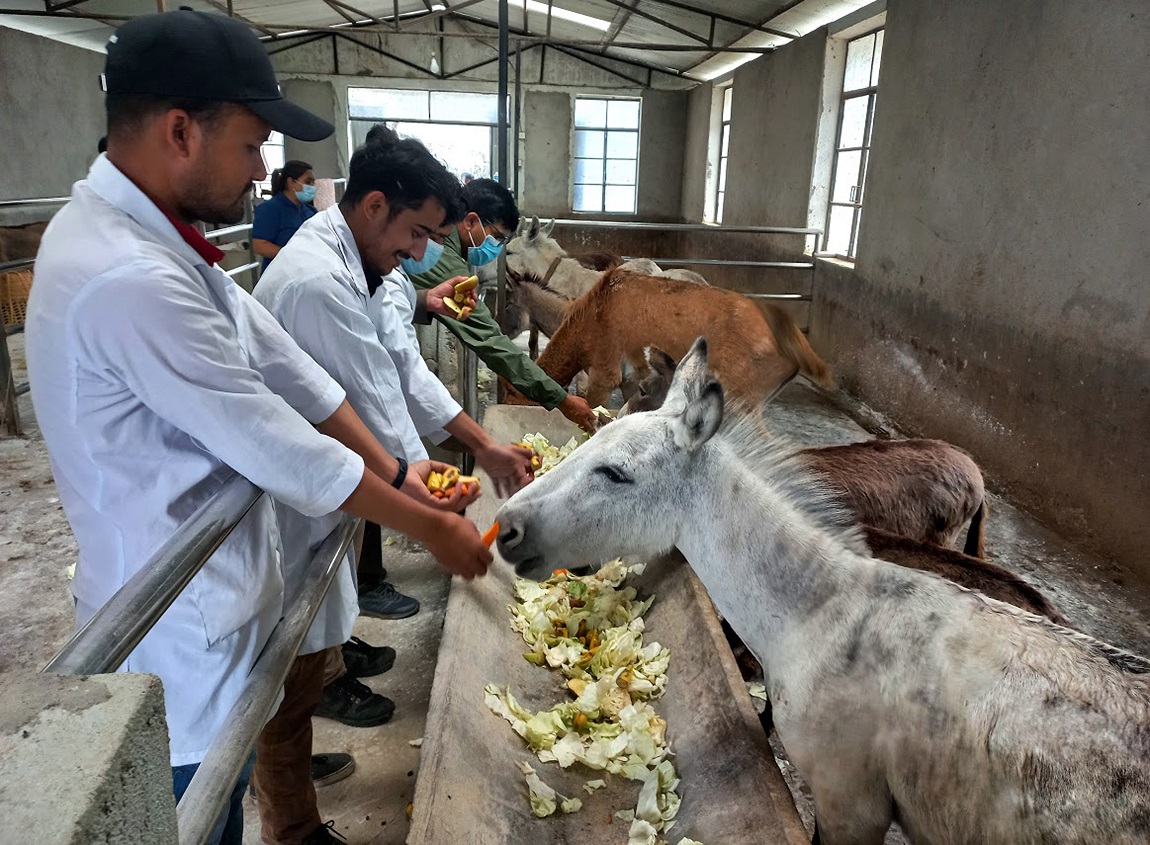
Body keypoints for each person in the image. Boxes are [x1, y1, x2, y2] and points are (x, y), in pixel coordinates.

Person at [24, 10, 491, 845]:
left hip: (218, 602)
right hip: (178, 629)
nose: (265, 167)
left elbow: (289, 369)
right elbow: (274, 438)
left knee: (227, 787)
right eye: (251, 144)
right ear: (179, 132)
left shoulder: (164, 245)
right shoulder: (126, 275)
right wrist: (430, 524)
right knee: (195, 815)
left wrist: (394, 475)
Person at [253, 125, 533, 845]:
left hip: (327, 487)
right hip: (291, 505)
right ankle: (291, 824)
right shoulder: (320, 282)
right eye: (416, 232)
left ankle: (291, 801)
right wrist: (434, 511)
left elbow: (399, 377)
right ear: (374, 205)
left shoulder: (358, 264)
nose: (419, 253)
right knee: (283, 683)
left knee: (303, 664)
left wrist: (471, 452)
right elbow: (380, 403)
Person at [407, 178, 598, 432]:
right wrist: (560, 399)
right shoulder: (442, 257)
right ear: (471, 221)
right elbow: (490, 340)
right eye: (496, 238)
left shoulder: (449, 253)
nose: (495, 249)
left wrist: (422, 301)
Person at [252, 159, 316, 270]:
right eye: (308, 182)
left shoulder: (310, 211)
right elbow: (260, 245)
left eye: (313, 182)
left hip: (306, 271)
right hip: (280, 273)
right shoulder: (270, 209)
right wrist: (293, 257)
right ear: (291, 182)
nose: (312, 186)